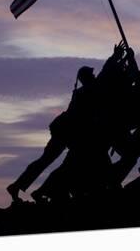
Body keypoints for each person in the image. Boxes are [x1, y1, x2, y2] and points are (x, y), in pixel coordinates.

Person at [6, 64, 100, 202]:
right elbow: (103, 79)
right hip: (66, 132)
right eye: (91, 75)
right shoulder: (84, 92)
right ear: (85, 78)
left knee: (48, 160)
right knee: (49, 160)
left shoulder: (84, 91)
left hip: (67, 132)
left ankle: (19, 186)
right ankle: (22, 187)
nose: (94, 76)